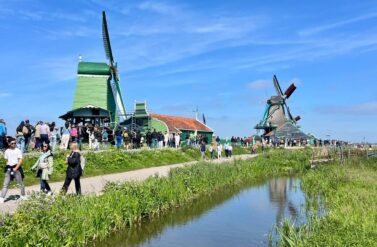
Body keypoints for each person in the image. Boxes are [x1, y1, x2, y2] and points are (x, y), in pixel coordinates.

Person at [0, 138, 26, 203]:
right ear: (9, 144)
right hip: (9, 168)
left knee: (20, 183)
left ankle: (23, 196)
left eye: (15, 143)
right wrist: (8, 167)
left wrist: (16, 168)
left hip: (16, 168)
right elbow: (7, 160)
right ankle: (2, 198)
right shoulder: (6, 151)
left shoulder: (18, 150)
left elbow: (20, 160)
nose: (14, 144)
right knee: (5, 184)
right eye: (12, 143)